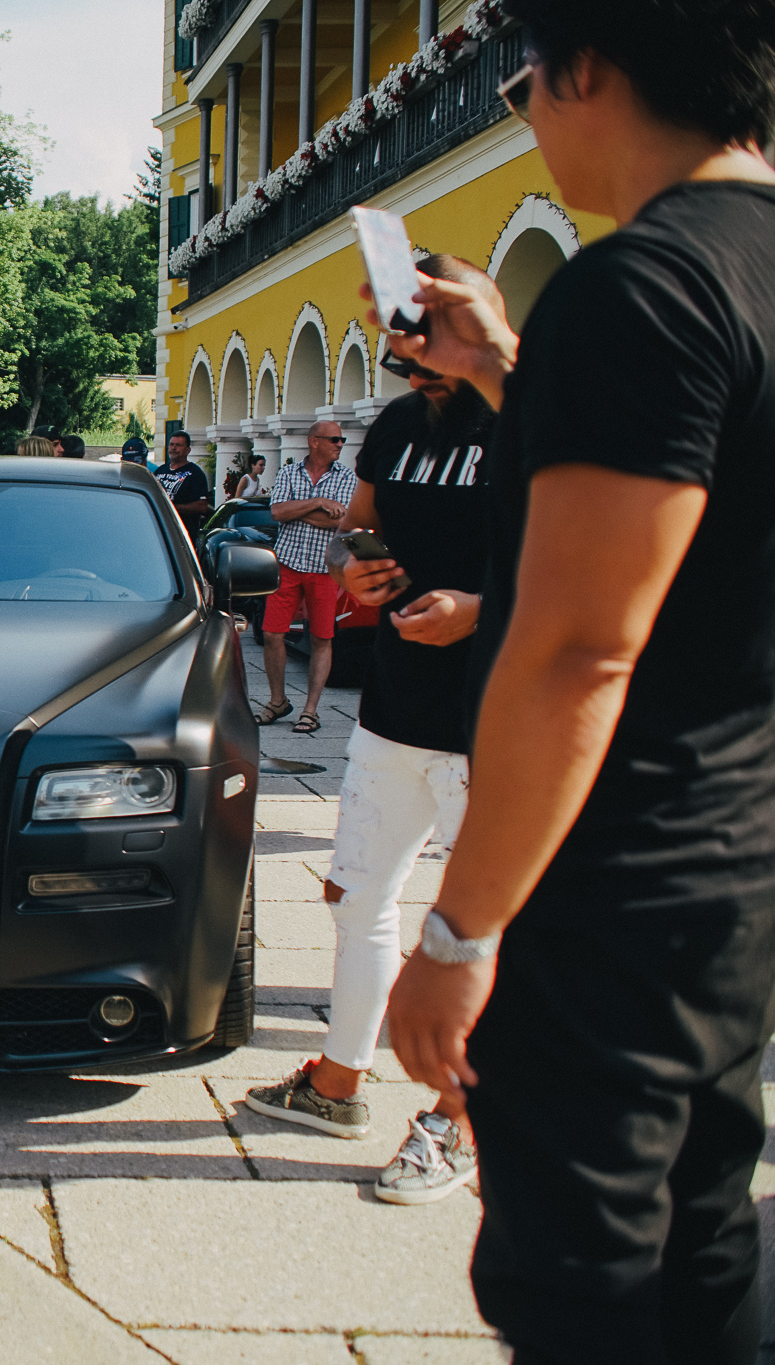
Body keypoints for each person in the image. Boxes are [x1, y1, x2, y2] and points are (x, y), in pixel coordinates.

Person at [378, 6, 775, 1358]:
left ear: (590, 67)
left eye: (529, 69)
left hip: (615, 882)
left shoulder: (643, 285)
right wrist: (498, 366)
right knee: (706, 1241)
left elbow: (581, 650)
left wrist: (459, 934)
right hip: (738, 866)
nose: (520, 100)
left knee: (580, 1275)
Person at [245, 255, 503, 1207]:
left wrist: (480, 606)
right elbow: (367, 523)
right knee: (358, 897)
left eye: (428, 353)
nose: (416, 375)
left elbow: (580, 554)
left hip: (495, 718)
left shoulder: (534, 413)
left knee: (480, 929)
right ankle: (338, 1080)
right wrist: (365, 569)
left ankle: (457, 1119)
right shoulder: (398, 426)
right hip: (396, 708)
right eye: (404, 358)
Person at [254, 421, 354, 733]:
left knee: (321, 638)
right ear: (314, 442)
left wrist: (299, 510)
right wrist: (319, 502)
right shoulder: (288, 473)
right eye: (335, 439)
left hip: (325, 569)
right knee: (272, 634)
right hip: (287, 565)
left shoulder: (346, 477)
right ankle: (278, 701)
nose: (340, 444)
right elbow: (277, 512)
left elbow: (340, 523)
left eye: (342, 439)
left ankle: (310, 710)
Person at [155, 431, 212, 531]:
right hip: (160, 528)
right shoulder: (160, 470)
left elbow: (202, 506)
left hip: (182, 531)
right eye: (171, 444)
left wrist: (171, 507)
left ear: (187, 450)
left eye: (178, 445)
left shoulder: (195, 473)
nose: (173, 448)